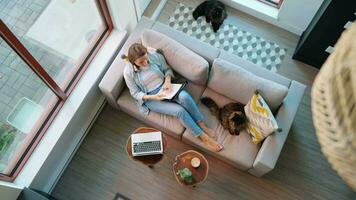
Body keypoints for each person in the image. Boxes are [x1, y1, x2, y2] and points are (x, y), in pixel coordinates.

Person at [122, 43, 223, 152]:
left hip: (166, 87)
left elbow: (167, 70)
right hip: (151, 98)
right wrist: (155, 97)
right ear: (133, 62)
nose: (145, 62)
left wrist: (167, 80)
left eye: (146, 58)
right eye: (141, 62)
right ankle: (202, 137)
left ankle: (202, 125)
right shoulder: (128, 72)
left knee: (184, 97)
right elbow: (135, 94)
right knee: (179, 111)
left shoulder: (154, 55)